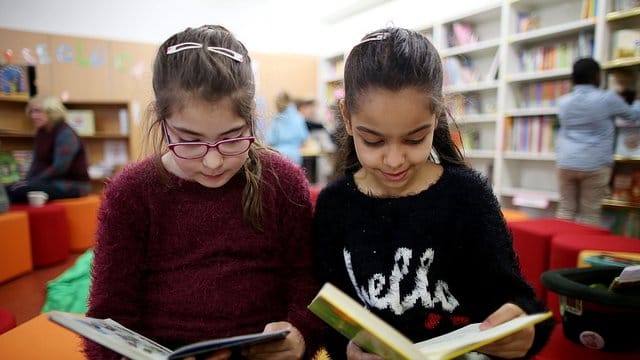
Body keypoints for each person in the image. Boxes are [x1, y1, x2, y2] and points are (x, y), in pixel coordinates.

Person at [311, 27, 554, 360]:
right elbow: (330, 314)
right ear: (348, 120)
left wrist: (524, 331)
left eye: (414, 140)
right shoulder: (334, 204)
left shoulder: (467, 196)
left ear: (436, 116)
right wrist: (347, 351)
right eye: (373, 140)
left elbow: (516, 300)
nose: (394, 160)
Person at [85, 25, 323, 360]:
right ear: (161, 120)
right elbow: (110, 317)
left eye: (232, 137)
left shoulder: (282, 182)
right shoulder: (132, 192)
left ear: (253, 118)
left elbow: (306, 287)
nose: (212, 161)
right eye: (189, 140)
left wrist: (300, 337)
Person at [556, 58, 640, 226]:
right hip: (595, 164)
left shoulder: (563, 102)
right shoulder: (607, 99)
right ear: (597, 77)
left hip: (566, 162)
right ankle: (581, 251)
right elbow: (633, 115)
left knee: (566, 210)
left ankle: (562, 249)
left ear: (573, 79)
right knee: (590, 214)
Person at [7, 95, 91, 203]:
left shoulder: (66, 133)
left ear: (52, 112)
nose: (33, 116)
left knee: (18, 191)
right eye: (32, 111)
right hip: (48, 182)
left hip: (72, 186)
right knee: (7, 189)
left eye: (38, 111)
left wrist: (32, 182)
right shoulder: (42, 132)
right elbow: (36, 163)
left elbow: (59, 167)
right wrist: (25, 181)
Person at [266, 91, 309, 165]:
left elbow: (270, 140)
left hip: (278, 156)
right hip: (294, 156)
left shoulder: (276, 120)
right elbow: (304, 138)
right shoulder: (298, 117)